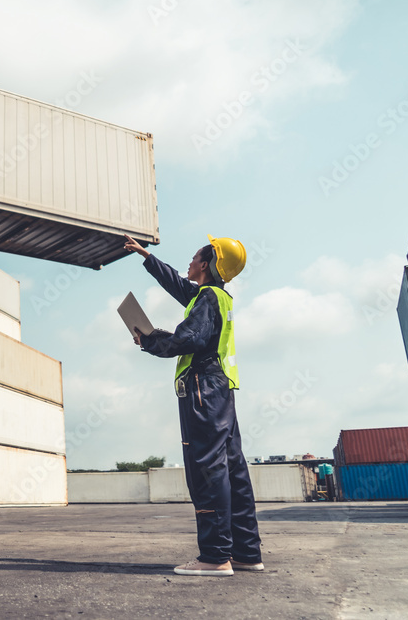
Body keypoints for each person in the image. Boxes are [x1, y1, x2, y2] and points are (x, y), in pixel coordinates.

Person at [123, 233, 263, 577]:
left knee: (207, 469)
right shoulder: (216, 296)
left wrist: (149, 340)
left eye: (195, 256)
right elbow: (178, 285)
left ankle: (215, 557)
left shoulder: (207, 299)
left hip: (203, 388)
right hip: (221, 390)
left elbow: (188, 339)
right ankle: (246, 552)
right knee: (232, 469)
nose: (189, 260)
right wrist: (146, 256)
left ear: (206, 263)